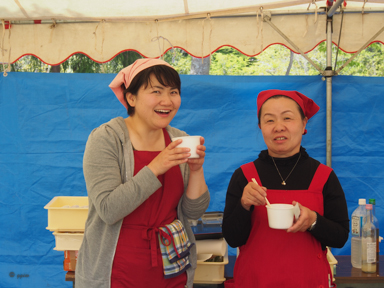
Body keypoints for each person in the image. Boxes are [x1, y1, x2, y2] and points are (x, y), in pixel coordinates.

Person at [76, 58, 210, 288]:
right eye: (156, 91)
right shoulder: (106, 138)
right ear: (131, 98)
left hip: (172, 268)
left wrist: (196, 172)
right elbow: (109, 209)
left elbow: (192, 212)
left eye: (173, 92)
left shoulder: (179, 138)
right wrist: (157, 167)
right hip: (117, 271)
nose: (167, 101)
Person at [222, 89, 349, 288]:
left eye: (287, 118)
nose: (278, 127)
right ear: (260, 126)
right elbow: (232, 237)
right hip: (255, 281)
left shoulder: (324, 176)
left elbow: (340, 237)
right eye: (269, 120)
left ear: (304, 123)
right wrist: (244, 204)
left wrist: (314, 221)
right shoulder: (245, 176)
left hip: (309, 282)